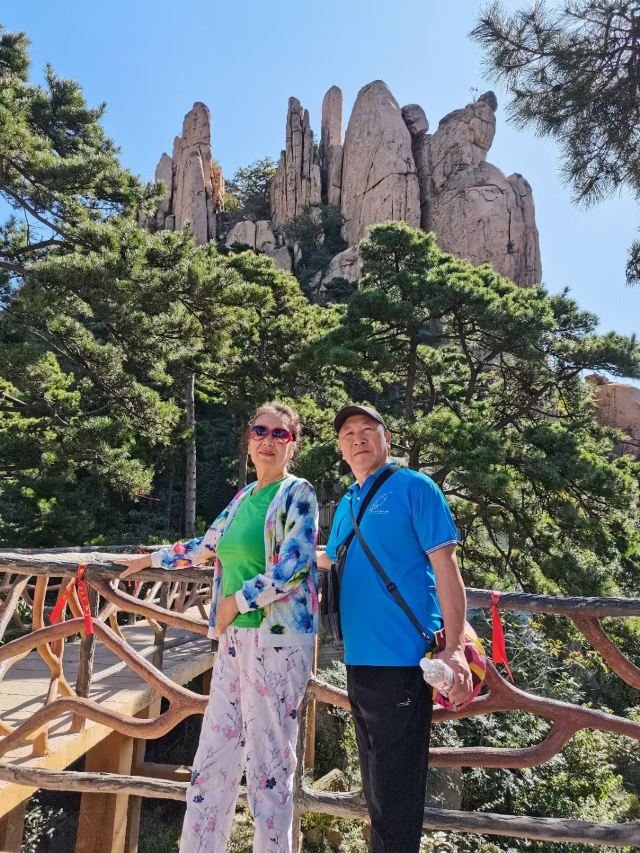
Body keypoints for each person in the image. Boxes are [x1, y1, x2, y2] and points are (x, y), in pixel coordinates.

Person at [116, 402, 318, 853]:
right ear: (248, 440)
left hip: (278, 641)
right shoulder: (243, 498)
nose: (268, 441)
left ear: (293, 445)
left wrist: (235, 601)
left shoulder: (297, 493)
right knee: (212, 762)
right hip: (232, 640)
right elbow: (205, 547)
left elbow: (295, 564)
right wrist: (151, 559)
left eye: (280, 434)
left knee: (269, 769)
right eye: (260, 431)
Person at [317, 404, 473, 853]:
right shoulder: (348, 502)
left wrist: (454, 649)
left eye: (368, 429)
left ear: (387, 439)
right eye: (348, 433)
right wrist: (281, 556)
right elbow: (331, 557)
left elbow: (446, 568)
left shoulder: (415, 487)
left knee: (396, 795)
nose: (358, 438)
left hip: (402, 660)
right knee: (376, 789)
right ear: (341, 449)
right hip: (358, 660)